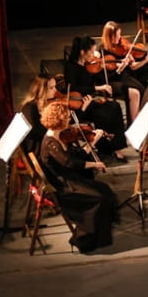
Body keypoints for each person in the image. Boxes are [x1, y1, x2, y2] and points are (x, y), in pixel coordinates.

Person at [38, 102, 117, 252]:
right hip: (64, 186)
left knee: (105, 190)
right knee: (99, 197)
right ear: (59, 121)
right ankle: (84, 239)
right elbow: (71, 163)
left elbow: (76, 156)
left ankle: (100, 232)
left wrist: (93, 142)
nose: (69, 120)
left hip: (70, 178)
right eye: (67, 118)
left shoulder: (58, 136)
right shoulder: (51, 143)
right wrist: (94, 164)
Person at [63, 36, 128, 161]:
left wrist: (112, 69)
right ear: (83, 52)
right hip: (79, 104)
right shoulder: (70, 67)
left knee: (115, 107)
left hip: (90, 100)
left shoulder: (90, 65)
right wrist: (97, 88)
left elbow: (101, 80)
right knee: (103, 114)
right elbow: (74, 88)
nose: (94, 55)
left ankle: (117, 147)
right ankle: (104, 148)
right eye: (92, 52)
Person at [98, 20, 148, 116]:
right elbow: (106, 76)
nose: (119, 38)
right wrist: (120, 68)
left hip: (124, 76)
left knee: (143, 89)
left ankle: (139, 117)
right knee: (136, 91)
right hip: (112, 79)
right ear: (109, 36)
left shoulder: (120, 47)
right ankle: (133, 119)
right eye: (117, 35)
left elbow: (132, 67)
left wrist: (131, 61)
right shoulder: (102, 51)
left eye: (119, 34)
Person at [20, 74, 57, 156]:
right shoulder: (29, 108)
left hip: (47, 144)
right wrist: (55, 127)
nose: (55, 90)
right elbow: (35, 133)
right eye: (51, 88)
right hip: (37, 150)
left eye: (55, 87)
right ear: (41, 90)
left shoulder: (47, 104)